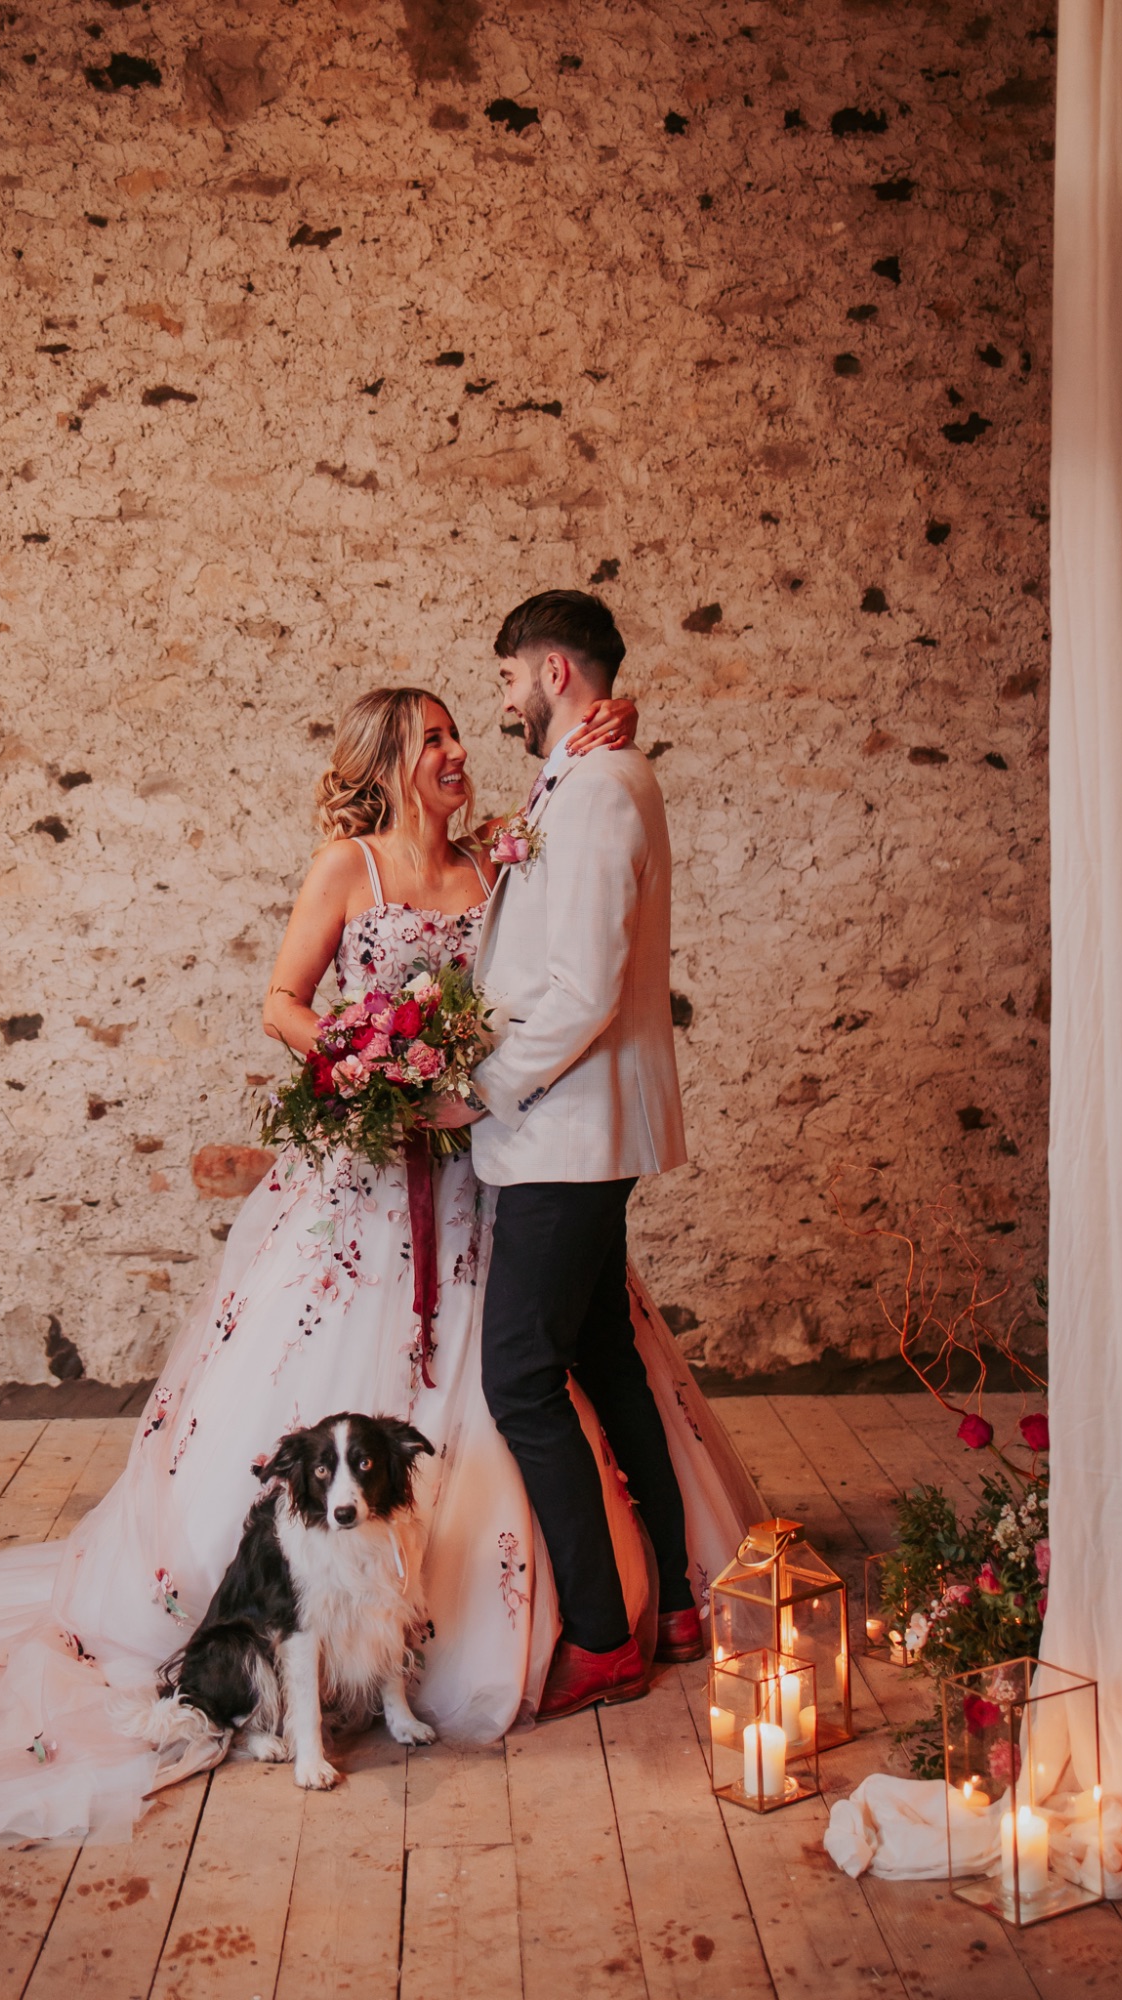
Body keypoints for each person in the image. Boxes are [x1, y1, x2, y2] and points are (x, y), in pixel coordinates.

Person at [0, 673, 757, 1846]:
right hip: (368, 1175)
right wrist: (354, 1057)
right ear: (394, 759)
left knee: (537, 1362)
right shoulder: (352, 867)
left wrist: (611, 725)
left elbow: (569, 832)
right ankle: (309, 1624)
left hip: (485, 1168)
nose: (459, 753)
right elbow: (281, 999)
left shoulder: (498, 857)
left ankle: (590, 1607)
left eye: (463, 732)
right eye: (439, 738)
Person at [433, 590, 701, 1720]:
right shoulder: (584, 773)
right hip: (576, 1128)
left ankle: (603, 1635)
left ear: (554, 672)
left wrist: (476, 1091)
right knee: (600, 1355)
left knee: (522, 1378)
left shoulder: (596, 791)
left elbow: (583, 989)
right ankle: (678, 1599)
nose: (498, 700)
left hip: (564, 1131)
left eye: (505, 679)